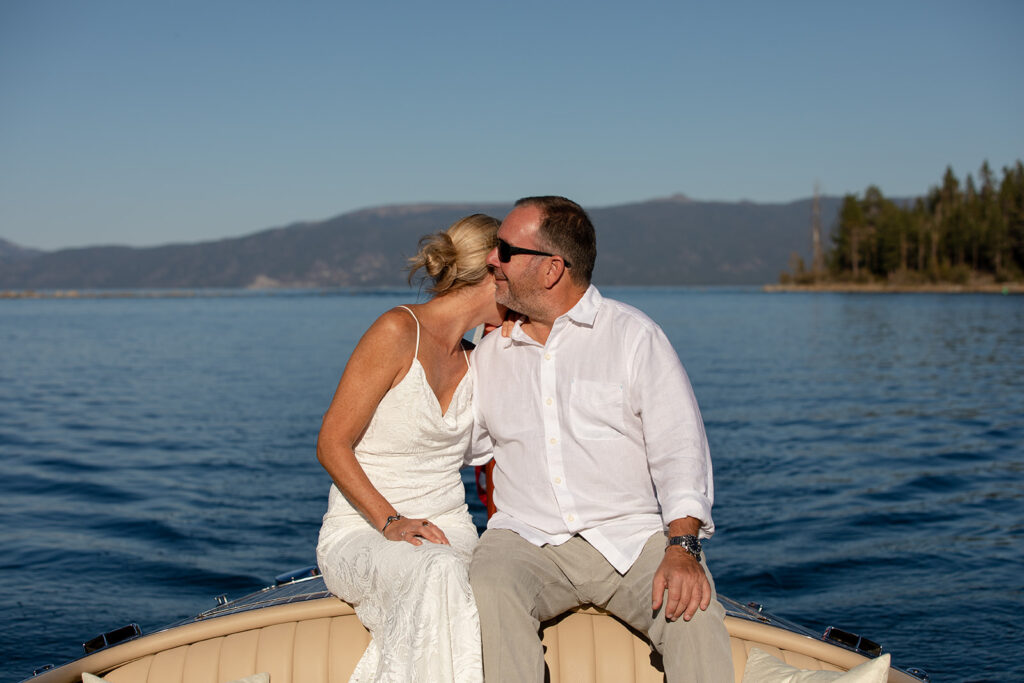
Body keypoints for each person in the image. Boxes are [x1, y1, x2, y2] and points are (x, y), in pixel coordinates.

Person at [467, 196, 734, 682]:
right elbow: (462, 446)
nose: (491, 259)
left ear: (551, 269)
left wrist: (683, 548)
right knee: (487, 581)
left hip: (630, 539)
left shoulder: (634, 337)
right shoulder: (492, 351)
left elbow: (680, 449)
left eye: (505, 250)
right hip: (527, 542)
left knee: (694, 612)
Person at [316, 213, 504, 683]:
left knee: (467, 575)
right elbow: (331, 444)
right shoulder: (398, 331)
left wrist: (507, 343)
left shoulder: (480, 357)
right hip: (365, 531)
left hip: (451, 531)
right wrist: (391, 522)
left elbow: (497, 451)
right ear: (493, 271)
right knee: (437, 573)